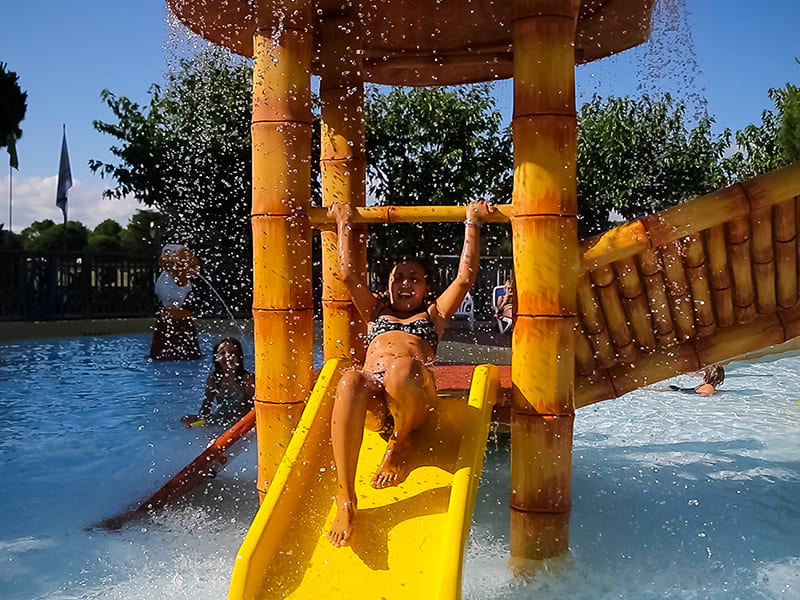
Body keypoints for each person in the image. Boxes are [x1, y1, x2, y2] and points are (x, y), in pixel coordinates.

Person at [326, 199, 494, 548]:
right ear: (387, 284)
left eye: (413, 279)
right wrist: (343, 222)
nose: (405, 284)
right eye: (398, 277)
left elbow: (465, 278)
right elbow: (346, 275)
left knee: (401, 369)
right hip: (376, 404)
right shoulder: (375, 310)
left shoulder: (433, 315)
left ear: (426, 287)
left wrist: (472, 222)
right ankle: (346, 497)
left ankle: (401, 444)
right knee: (350, 379)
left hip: (415, 403)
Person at [181, 337, 255, 427]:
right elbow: (206, 405)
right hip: (220, 418)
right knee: (184, 419)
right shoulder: (213, 379)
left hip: (240, 421)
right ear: (217, 358)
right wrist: (200, 421)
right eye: (222, 353)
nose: (227, 356)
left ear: (239, 356)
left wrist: (239, 421)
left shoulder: (247, 379)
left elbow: (252, 408)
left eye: (232, 352)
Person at [647, 364, 725, 397]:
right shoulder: (708, 386)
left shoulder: (706, 386)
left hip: (677, 390)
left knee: (652, 388)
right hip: (678, 390)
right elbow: (704, 396)